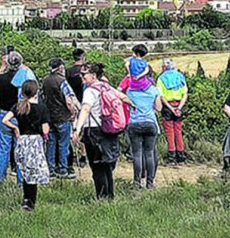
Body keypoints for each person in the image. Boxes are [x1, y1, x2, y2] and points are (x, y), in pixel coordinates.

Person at [73, 62, 130, 200]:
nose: (81, 77)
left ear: (93, 75)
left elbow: (86, 109)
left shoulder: (90, 91)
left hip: (93, 130)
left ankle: (101, 197)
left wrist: (77, 128)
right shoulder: (106, 87)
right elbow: (122, 97)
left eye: (83, 74)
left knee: (97, 166)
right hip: (108, 128)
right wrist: (133, 106)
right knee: (107, 165)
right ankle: (110, 195)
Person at [2, 80, 50, 211]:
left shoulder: (18, 106)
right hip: (35, 141)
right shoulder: (42, 108)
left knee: (25, 171)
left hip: (22, 140)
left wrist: (15, 128)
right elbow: (45, 129)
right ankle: (31, 202)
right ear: (36, 92)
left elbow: (4, 119)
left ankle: (26, 199)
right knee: (33, 173)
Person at [0, 50, 26, 184]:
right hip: (20, 114)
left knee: (3, 149)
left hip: (3, 114)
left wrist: (2, 68)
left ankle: (0, 179)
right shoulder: (23, 78)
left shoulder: (1, 78)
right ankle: (21, 180)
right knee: (20, 149)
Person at [41, 57, 77, 179]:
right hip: (62, 117)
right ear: (61, 67)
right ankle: (62, 169)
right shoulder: (62, 81)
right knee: (63, 144)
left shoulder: (45, 80)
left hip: (50, 117)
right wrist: (73, 113)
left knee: (51, 144)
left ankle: (49, 169)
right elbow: (69, 101)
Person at [126, 66, 161, 189]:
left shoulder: (130, 91)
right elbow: (159, 108)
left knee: (137, 154)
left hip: (134, 123)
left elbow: (128, 107)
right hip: (150, 123)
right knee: (150, 153)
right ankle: (150, 183)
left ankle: (137, 182)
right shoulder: (154, 90)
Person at [157, 58, 188, 164]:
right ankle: (181, 155)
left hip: (168, 107)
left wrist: (171, 108)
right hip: (179, 104)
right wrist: (179, 107)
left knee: (169, 132)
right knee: (178, 131)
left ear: (164, 66)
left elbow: (161, 96)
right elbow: (185, 94)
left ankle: (172, 156)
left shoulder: (161, 78)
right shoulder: (180, 76)